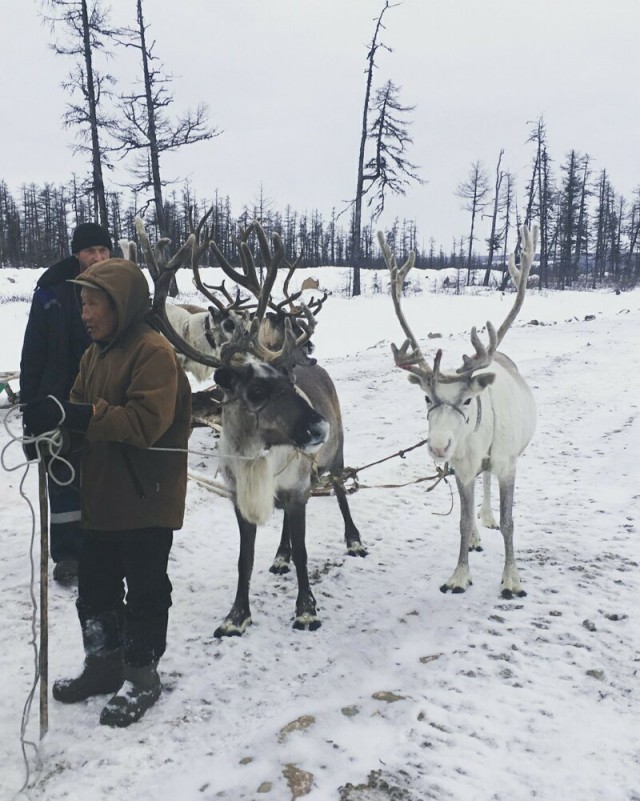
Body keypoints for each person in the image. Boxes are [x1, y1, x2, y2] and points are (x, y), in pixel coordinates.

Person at [22, 258, 192, 728]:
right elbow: (79, 414)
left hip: (145, 502)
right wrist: (56, 434)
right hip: (101, 498)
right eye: (82, 302)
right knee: (95, 590)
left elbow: (142, 424)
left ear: (122, 304)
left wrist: (77, 417)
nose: (85, 312)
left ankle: (141, 675)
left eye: (94, 302)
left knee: (144, 594)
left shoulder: (153, 353)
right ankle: (103, 665)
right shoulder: (93, 354)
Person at [20, 222, 113, 582]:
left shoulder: (118, 290)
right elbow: (33, 351)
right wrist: (31, 409)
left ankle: (103, 544)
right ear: (78, 253)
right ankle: (68, 554)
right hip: (57, 397)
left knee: (104, 472)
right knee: (63, 474)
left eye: (104, 251)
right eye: (91, 251)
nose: (98, 257)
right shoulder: (50, 292)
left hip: (103, 396)